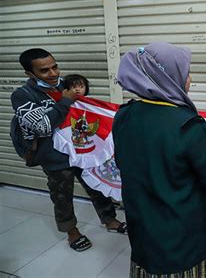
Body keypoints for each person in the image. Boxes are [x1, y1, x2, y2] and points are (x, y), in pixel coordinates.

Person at [113, 42, 206, 277]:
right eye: (185, 72)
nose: (190, 78)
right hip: (180, 228)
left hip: (142, 219)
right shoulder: (190, 127)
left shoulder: (124, 115)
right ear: (166, 77)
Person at [11, 48, 127, 252]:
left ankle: (109, 219)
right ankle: (71, 231)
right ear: (30, 74)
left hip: (83, 149)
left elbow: (86, 109)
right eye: (44, 70)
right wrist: (65, 100)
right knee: (62, 194)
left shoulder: (67, 84)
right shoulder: (23, 95)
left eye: (55, 66)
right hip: (53, 155)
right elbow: (43, 127)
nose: (53, 73)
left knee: (97, 185)